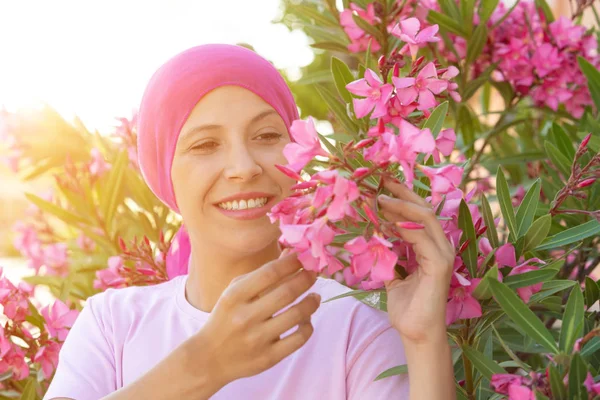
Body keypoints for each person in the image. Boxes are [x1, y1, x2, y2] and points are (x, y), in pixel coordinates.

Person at [43, 44, 455, 400]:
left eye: (266, 136)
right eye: (205, 144)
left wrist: (423, 341)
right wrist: (204, 364)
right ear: (163, 172)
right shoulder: (112, 323)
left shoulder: (354, 329)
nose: (243, 167)